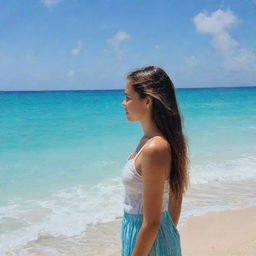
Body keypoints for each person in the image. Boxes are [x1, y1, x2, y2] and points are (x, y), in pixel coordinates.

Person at [120, 66, 190, 256]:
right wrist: (166, 235)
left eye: (128, 97)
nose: (123, 103)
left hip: (148, 240)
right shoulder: (150, 142)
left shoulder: (155, 148)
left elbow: (151, 222)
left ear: (148, 101)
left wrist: (161, 238)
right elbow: (175, 197)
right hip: (146, 237)